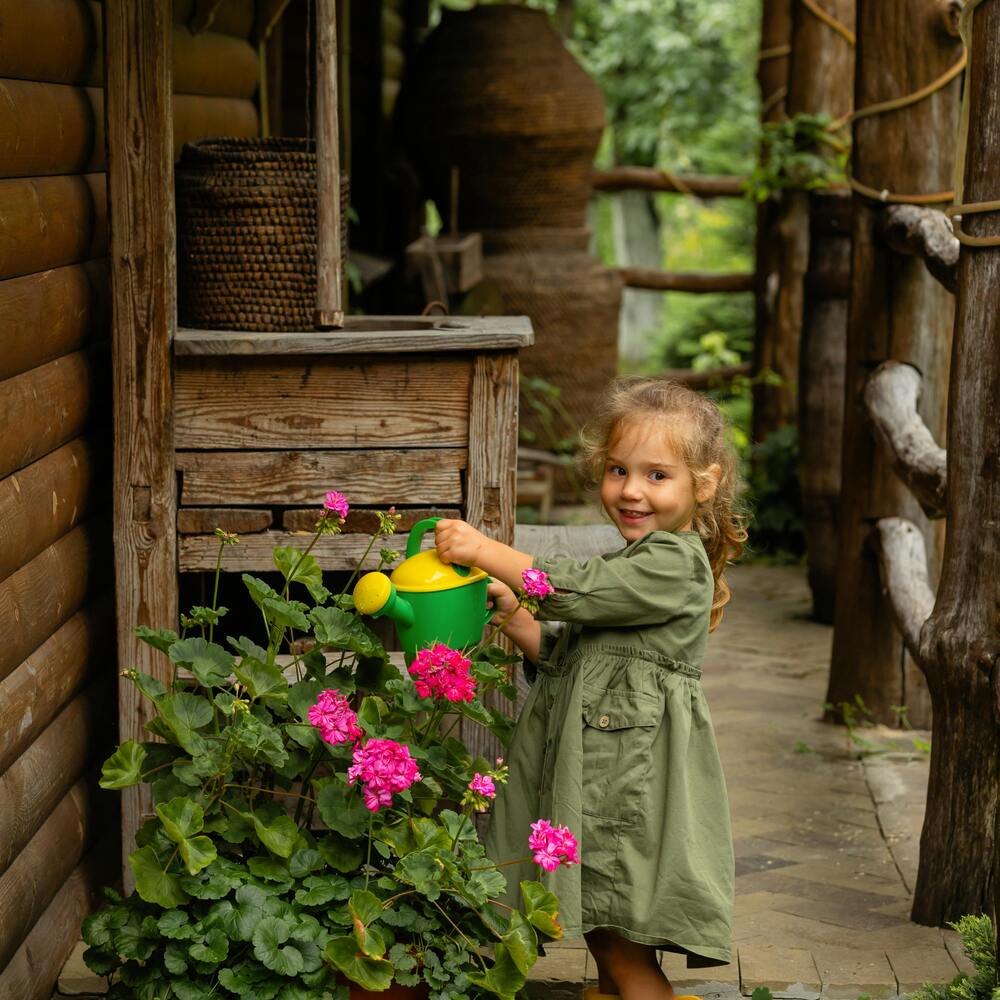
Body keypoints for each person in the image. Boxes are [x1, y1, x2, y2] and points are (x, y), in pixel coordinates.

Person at [434, 376, 747, 1000]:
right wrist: (519, 618)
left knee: (618, 941)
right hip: (603, 779)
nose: (631, 490)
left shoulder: (673, 562)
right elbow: (574, 659)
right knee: (608, 940)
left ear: (703, 485)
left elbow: (575, 589)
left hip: (622, 789)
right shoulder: (634, 562)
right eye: (618, 470)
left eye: (657, 475)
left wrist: (487, 550)